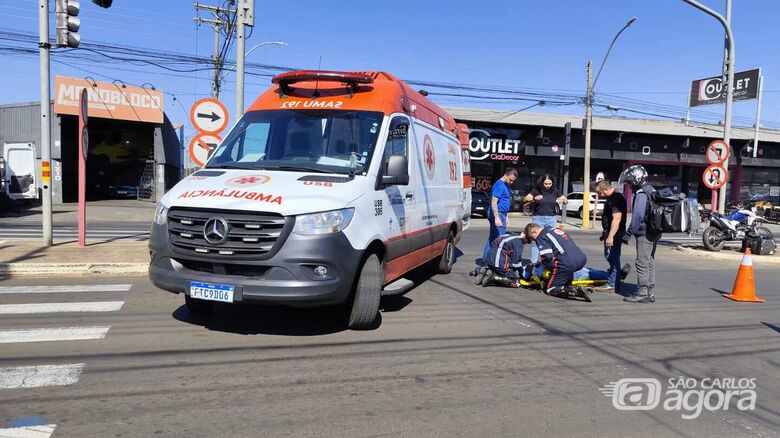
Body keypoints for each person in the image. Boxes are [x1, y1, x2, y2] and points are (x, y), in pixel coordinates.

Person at [620, 165, 659, 303]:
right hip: (654, 232)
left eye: (630, 181)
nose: (630, 185)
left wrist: (629, 233)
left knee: (642, 262)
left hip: (645, 233)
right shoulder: (651, 190)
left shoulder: (642, 193)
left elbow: (637, 216)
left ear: (636, 179)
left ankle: (642, 292)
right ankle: (650, 292)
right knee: (649, 262)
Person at [523, 222, 588, 300]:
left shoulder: (541, 236)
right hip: (581, 258)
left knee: (550, 289)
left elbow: (547, 257)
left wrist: (548, 268)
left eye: (532, 238)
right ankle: (567, 285)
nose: (534, 240)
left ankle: (575, 290)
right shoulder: (553, 229)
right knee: (565, 274)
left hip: (567, 263)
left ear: (534, 232)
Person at [594, 180, 629, 292]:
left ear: (606, 189)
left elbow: (617, 218)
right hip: (610, 232)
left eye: (599, 193)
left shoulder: (616, 199)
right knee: (611, 256)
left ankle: (612, 283)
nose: (599, 195)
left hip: (615, 233)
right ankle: (615, 278)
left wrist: (611, 236)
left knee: (612, 257)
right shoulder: (612, 198)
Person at [524, 174, 567, 263]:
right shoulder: (537, 190)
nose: (547, 186)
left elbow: (565, 200)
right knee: (536, 240)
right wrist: (534, 198)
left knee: (550, 239)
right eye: (546, 183)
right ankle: (533, 262)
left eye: (549, 183)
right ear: (542, 183)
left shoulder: (555, 191)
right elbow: (526, 199)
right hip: (538, 217)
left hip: (551, 218)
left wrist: (562, 200)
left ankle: (548, 261)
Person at [480, 168, 518, 265]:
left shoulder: (505, 185)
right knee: (498, 240)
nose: (512, 182)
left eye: (513, 181)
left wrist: (506, 216)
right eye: (510, 179)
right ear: (505, 175)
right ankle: (490, 262)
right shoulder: (500, 185)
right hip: (498, 213)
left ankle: (487, 261)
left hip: (502, 213)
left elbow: (504, 201)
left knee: (494, 238)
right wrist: (497, 217)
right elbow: (494, 202)